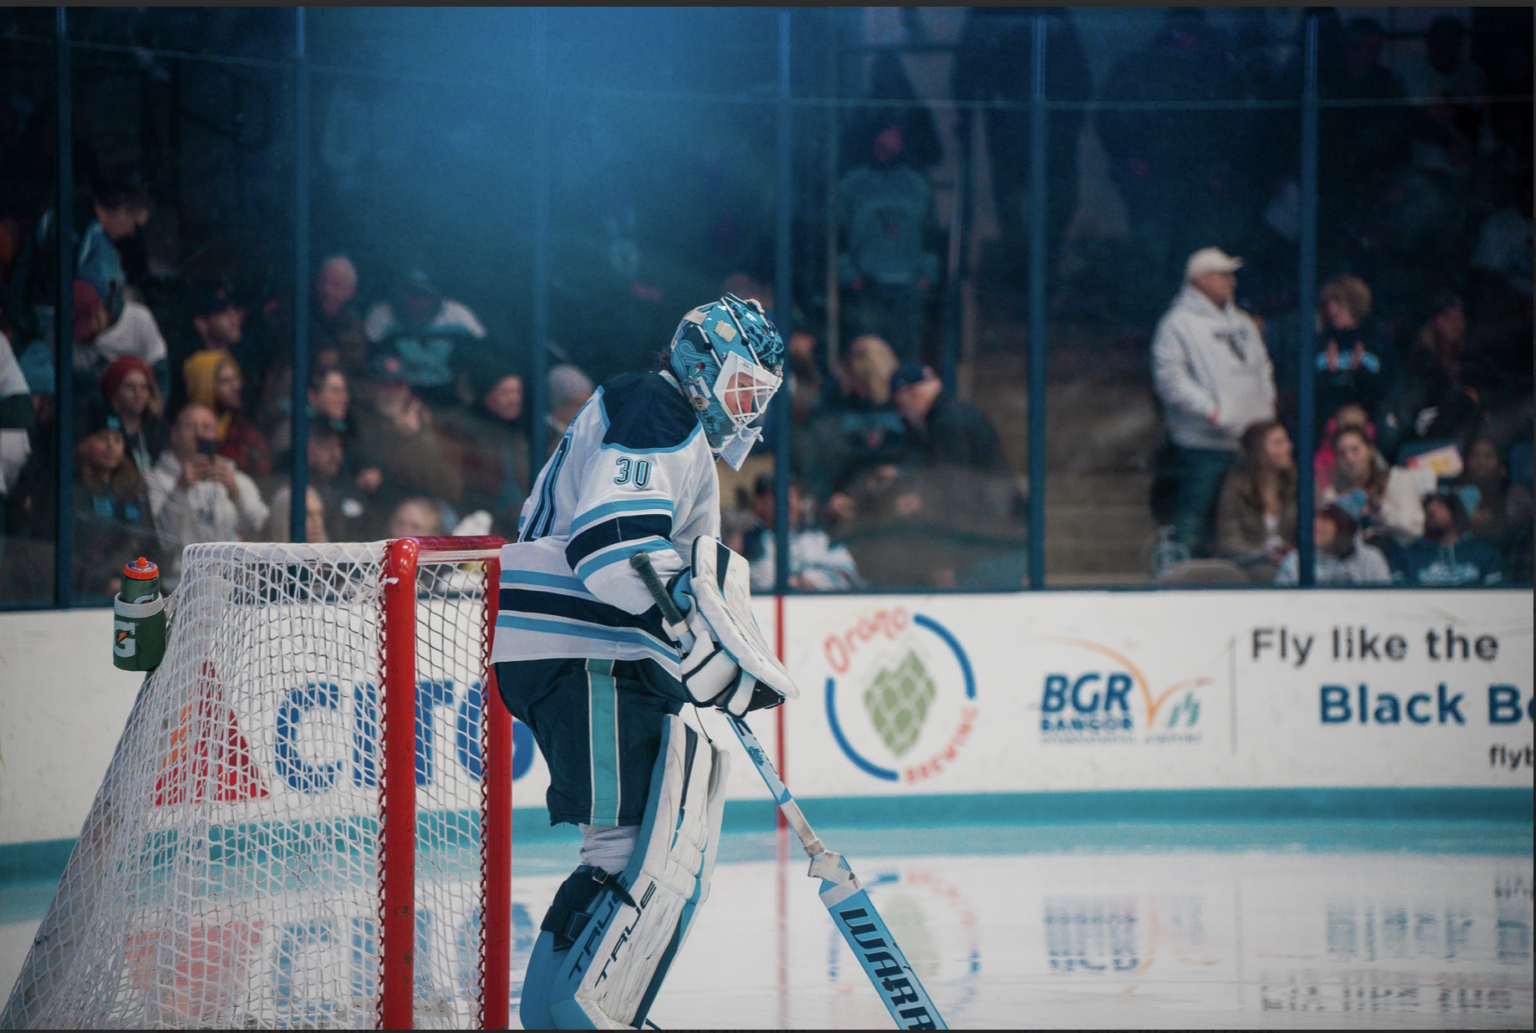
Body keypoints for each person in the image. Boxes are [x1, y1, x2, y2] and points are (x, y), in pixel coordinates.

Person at [490, 293, 792, 1030]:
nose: (749, 407)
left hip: (597, 648)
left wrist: (705, 632)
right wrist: (698, 619)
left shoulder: (672, 425)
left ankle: (575, 1010)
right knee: (635, 847)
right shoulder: (658, 407)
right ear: (701, 364)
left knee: (647, 848)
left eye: (760, 395)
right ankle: (579, 1012)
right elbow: (610, 545)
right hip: (583, 644)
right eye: (742, 385)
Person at [1151, 247, 1277, 553]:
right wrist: (1212, 412)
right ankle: (1181, 575)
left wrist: (1266, 408)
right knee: (1194, 516)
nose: (1231, 281)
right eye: (1223, 274)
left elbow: (1263, 368)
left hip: (1248, 443)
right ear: (1200, 279)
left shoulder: (1243, 323)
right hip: (1201, 445)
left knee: (1241, 519)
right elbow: (1170, 380)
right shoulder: (1176, 324)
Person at [145, 402, 269, 585]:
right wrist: (179, 490)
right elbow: (163, 542)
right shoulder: (155, 479)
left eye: (207, 427)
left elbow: (261, 528)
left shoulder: (234, 477)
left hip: (232, 583)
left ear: (216, 435)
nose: (199, 434)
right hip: (179, 584)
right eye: (190, 427)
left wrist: (236, 493)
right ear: (174, 434)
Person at [363, 268, 488, 409]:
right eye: (410, 294)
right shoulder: (381, 316)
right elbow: (365, 358)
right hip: (396, 396)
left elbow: (483, 357)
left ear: (438, 297)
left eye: (423, 296)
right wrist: (382, 363)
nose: (415, 302)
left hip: (449, 398)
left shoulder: (461, 318)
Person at [70, 405, 158, 603]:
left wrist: (137, 581)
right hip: (85, 592)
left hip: (135, 587)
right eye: (103, 437)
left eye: (117, 439)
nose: (111, 446)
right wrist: (101, 582)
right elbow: (70, 554)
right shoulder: (72, 489)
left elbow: (151, 543)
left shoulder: (135, 488)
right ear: (83, 443)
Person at [437, 361, 531, 537]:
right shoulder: (461, 428)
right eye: (505, 393)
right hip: (478, 523)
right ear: (486, 394)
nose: (514, 399)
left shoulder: (525, 430)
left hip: (521, 523)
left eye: (517, 392)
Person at [738, 474, 860, 592]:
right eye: (779, 496)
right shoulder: (747, 543)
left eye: (793, 496)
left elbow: (847, 576)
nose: (790, 503)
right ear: (760, 504)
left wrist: (807, 581)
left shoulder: (817, 538)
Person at [1313, 275, 1396, 446]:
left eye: (1337, 302)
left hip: (1371, 423)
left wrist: (1360, 374)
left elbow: (1386, 386)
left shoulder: (1375, 339)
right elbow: (1313, 392)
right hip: (1329, 427)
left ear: (1354, 302)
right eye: (1327, 303)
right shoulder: (1322, 342)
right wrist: (1330, 374)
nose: (1331, 309)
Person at [1214, 420, 1298, 583]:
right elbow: (1228, 540)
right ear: (1259, 452)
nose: (1289, 447)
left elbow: (1316, 529)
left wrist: (1291, 553)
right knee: (1267, 573)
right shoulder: (1236, 487)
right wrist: (1264, 553)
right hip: (1248, 566)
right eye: (1278, 443)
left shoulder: (1300, 483)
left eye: (1286, 441)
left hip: (1293, 564)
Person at [1323, 426, 1435, 547]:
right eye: (1342, 453)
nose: (1349, 458)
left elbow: (1414, 529)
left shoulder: (1398, 479)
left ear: (1370, 450)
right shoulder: (1333, 496)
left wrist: (1379, 507)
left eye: (1355, 450)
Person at [183, 349, 271, 481]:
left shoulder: (244, 432)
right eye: (225, 381)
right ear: (204, 385)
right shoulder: (184, 433)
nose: (236, 386)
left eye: (236, 378)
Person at [1391, 490, 1505, 586]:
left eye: (1441, 505)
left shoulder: (1484, 554)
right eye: (1427, 509)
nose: (1432, 511)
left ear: (1455, 510)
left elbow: (1497, 601)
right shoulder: (1406, 557)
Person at [1275, 501, 1392, 586]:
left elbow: (1384, 602)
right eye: (1314, 518)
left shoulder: (1370, 558)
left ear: (1344, 526)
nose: (1316, 525)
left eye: (1325, 520)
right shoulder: (1295, 561)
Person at [99, 355, 167, 482]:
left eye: (144, 387)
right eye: (130, 387)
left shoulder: (159, 429)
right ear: (115, 391)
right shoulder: (101, 428)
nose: (138, 393)